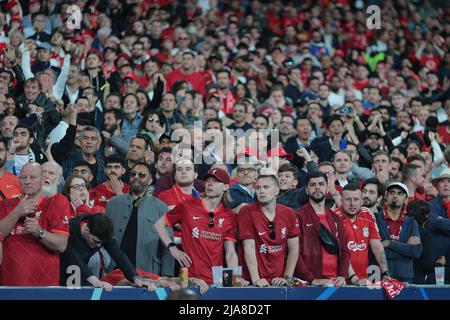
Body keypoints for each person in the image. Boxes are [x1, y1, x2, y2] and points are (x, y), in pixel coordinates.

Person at [154, 167, 238, 284]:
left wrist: (234, 281)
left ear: (225, 186)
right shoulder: (187, 206)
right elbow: (159, 224)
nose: (210, 184)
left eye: (215, 181)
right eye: (208, 181)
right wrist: (172, 249)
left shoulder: (229, 216)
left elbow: (230, 253)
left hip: (215, 280)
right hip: (188, 278)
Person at [0, 162, 70, 286]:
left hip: (44, 285)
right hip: (9, 284)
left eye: (33, 177)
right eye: (23, 177)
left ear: (43, 179)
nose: (27, 181)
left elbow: (61, 245)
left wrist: (39, 232)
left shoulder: (57, 202)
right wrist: (16, 212)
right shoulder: (6, 205)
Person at [106, 162, 174, 276]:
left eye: (141, 175)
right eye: (133, 174)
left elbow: (167, 245)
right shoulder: (113, 203)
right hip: (116, 272)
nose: (136, 177)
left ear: (150, 180)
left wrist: (167, 275)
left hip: (148, 273)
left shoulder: (160, 207)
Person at [60, 213, 151, 291]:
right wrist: (94, 280)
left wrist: (136, 278)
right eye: (95, 241)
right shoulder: (70, 229)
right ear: (86, 230)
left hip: (79, 274)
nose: (99, 246)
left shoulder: (102, 231)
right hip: (59, 270)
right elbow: (73, 257)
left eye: (101, 243)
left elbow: (119, 255)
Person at [238, 172, 300, 286]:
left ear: (276, 190)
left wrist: (287, 278)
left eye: (266, 187)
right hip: (253, 281)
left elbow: (294, 249)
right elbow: (249, 248)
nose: (261, 191)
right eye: (258, 188)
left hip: (279, 280)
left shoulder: (288, 213)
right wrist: (256, 280)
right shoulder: (247, 211)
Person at [294, 171, 351, 286]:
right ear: (306, 190)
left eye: (321, 184)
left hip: (335, 282)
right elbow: (294, 252)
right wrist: (311, 279)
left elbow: (344, 250)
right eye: (312, 185)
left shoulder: (335, 218)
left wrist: (342, 275)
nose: (317, 188)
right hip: (309, 284)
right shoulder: (298, 216)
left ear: (327, 189)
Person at [335, 183, 390, 285]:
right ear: (341, 200)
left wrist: (385, 272)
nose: (352, 204)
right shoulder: (334, 218)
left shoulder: (368, 215)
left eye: (356, 199)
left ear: (361, 201)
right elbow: (341, 253)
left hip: (364, 280)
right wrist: (354, 278)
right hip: (341, 281)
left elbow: (377, 247)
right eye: (348, 199)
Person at [374, 182, 423, 283]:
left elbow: (416, 251)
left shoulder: (411, 222)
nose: (395, 195)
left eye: (400, 193)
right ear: (386, 197)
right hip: (378, 277)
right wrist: (405, 250)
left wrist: (389, 243)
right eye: (392, 192)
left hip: (405, 278)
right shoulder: (375, 218)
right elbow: (373, 250)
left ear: (406, 199)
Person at [406, 200, 437, 284]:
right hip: (416, 283)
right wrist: (440, 264)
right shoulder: (424, 234)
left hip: (396, 282)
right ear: (426, 215)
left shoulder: (400, 230)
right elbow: (428, 266)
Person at [428, 168, 450, 281]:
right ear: (437, 186)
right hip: (438, 262)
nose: (446, 184)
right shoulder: (430, 205)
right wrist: (440, 223)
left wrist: (442, 222)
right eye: (442, 181)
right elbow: (435, 223)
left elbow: (441, 224)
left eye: (449, 181)